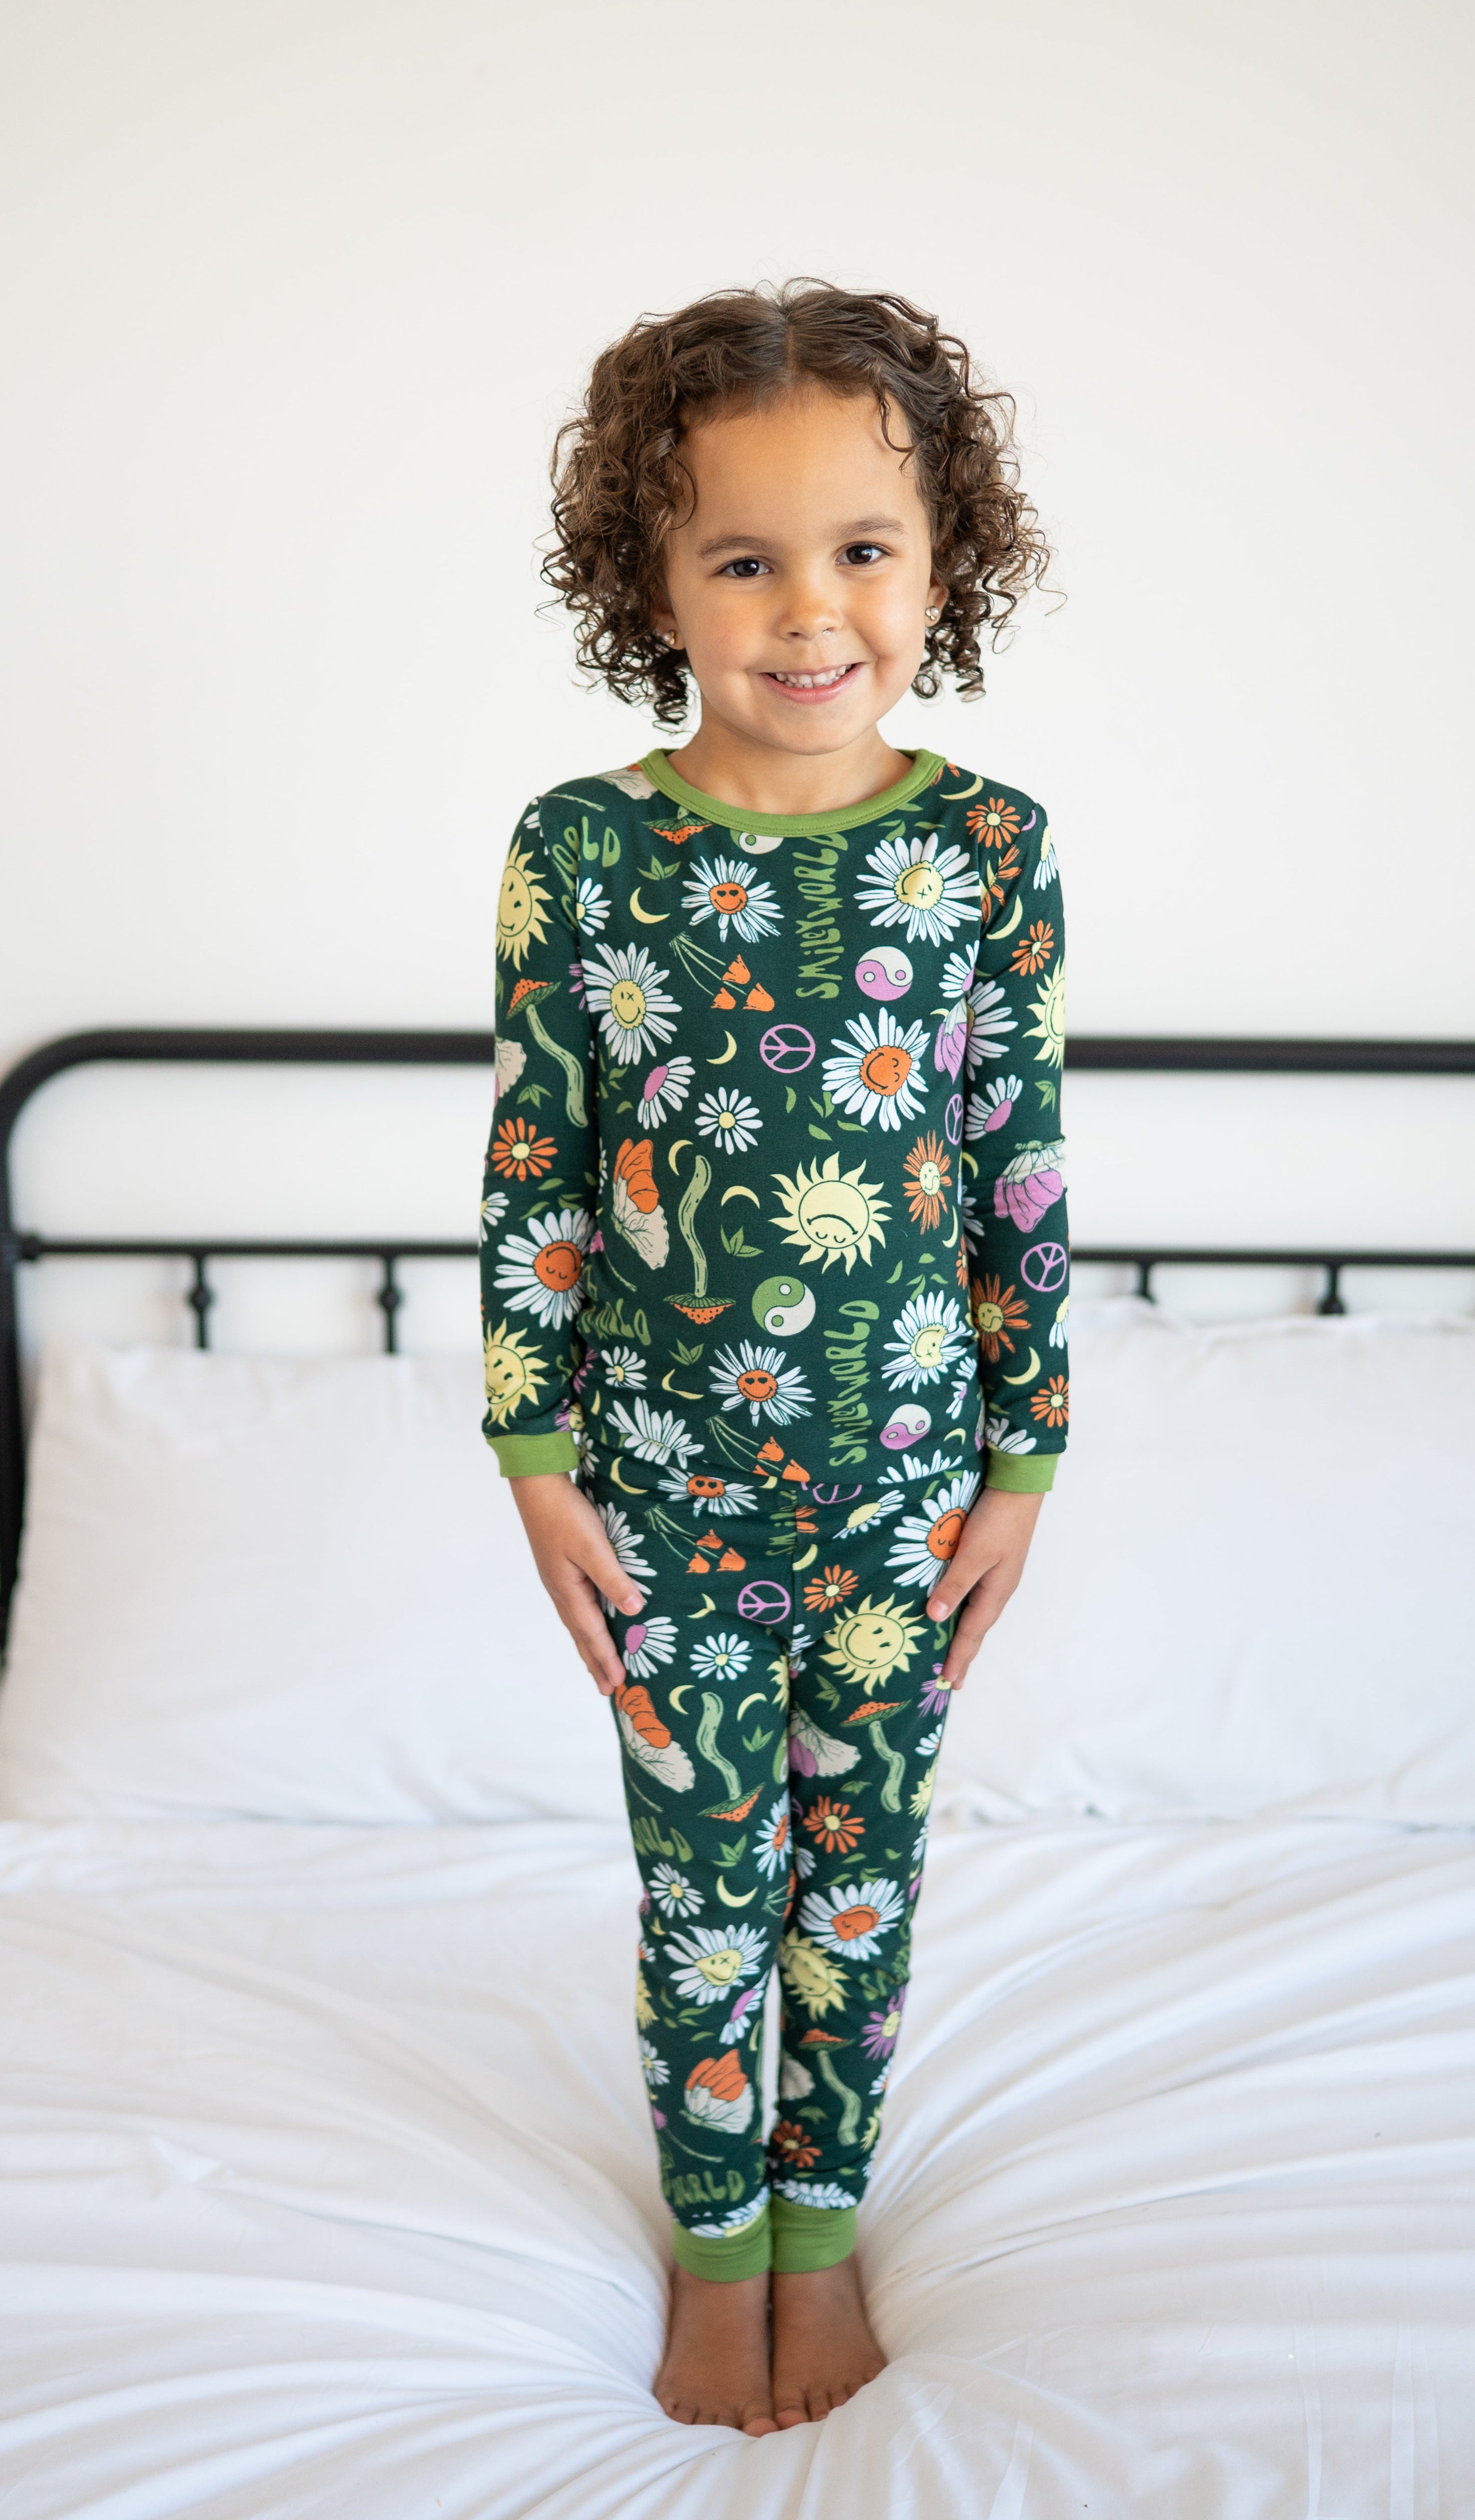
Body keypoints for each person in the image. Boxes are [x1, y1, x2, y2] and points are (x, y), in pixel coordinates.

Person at [478, 280, 1069, 2434]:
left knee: (861, 1876)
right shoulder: (588, 851)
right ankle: (709, 2259)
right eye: (742, 556)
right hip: (661, 1496)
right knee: (702, 1879)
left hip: (905, 1493)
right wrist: (536, 1459)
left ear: (941, 562)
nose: (808, 609)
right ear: (653, 583)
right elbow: (539, 1158)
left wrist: (1023, 1467)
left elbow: (1012, 1162)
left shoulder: (988, 851)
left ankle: (824, 2239)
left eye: (859, 550)